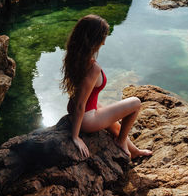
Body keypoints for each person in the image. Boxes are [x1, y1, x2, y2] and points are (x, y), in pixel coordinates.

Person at [60, 14, 153, 159]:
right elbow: (80, 105)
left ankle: (134, 151)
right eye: (103, 38)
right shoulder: (92, 67)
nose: (103, 43)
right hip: (86, 118)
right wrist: (75, 137)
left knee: (114, 122)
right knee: (135, 103)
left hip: (81, 107)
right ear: (94, 39)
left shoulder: (74, 56)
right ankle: (121, 142)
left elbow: (79, 98)